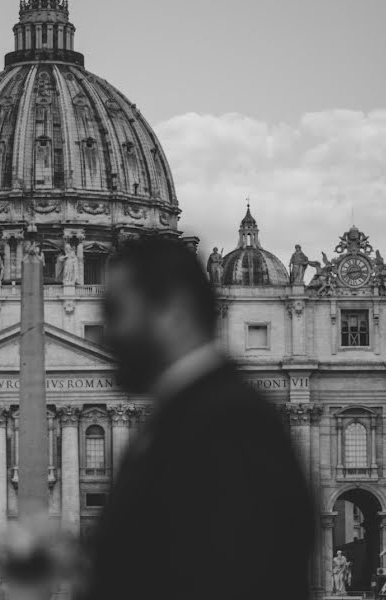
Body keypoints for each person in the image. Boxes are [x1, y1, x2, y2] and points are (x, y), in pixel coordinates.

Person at [84, 237, 314, 600]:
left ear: (174, 310)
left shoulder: (231, 424)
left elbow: (232, 576)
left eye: (115, 311)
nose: (105, 334)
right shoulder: (186, 414)